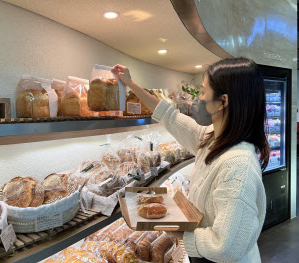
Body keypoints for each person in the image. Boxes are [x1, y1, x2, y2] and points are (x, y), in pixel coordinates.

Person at [111, 57, 269, 263]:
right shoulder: (213, 138)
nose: (197, 100)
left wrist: (173, 228)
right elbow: (171, 117)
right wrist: (131, 84)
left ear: (223, 101)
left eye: (203, 92)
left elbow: (227, 246)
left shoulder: (238, 165)